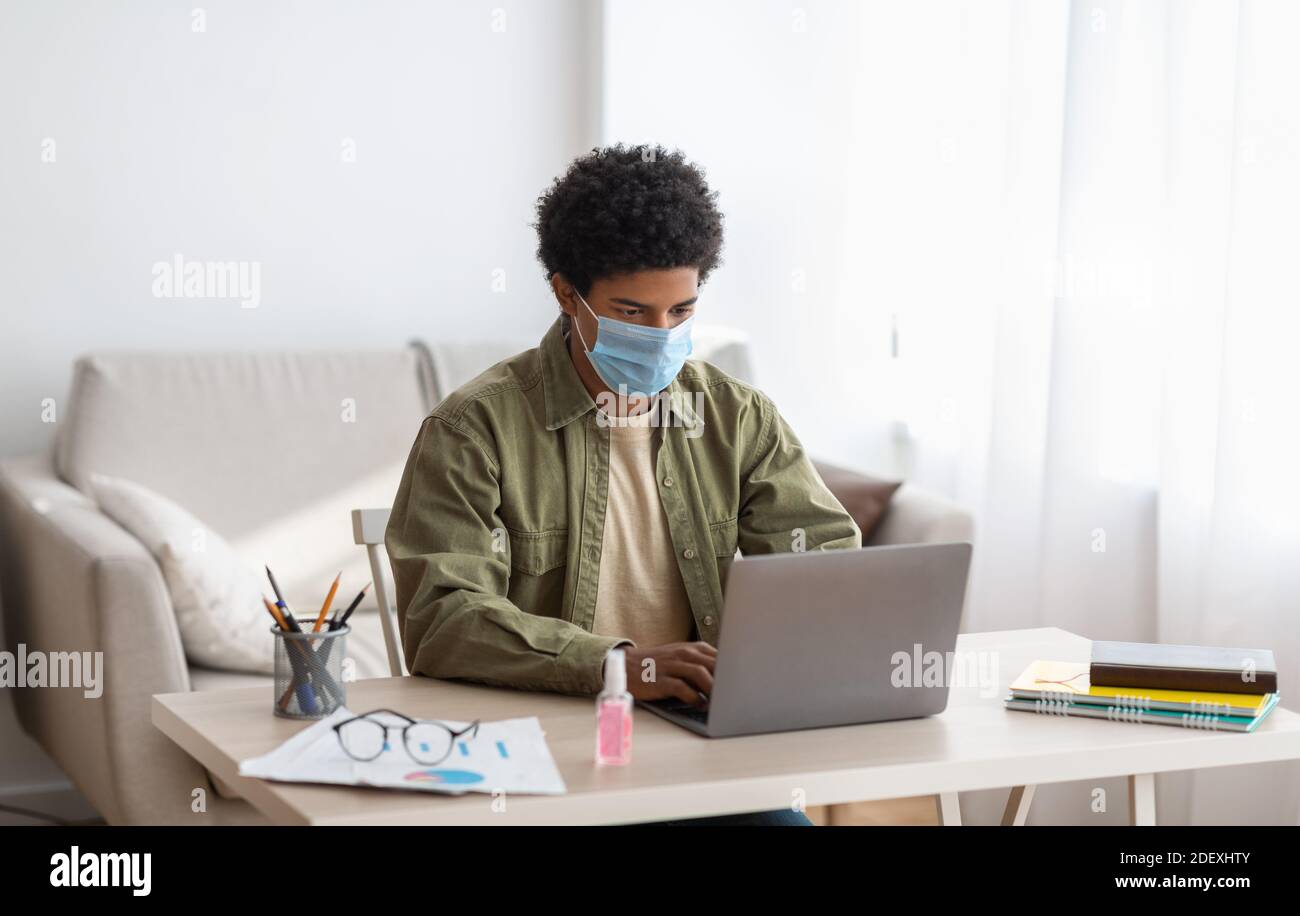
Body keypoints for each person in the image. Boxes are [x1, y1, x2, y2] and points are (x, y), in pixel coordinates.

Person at [385, 143, 860, 825]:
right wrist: (619, 666)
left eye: (681, 311)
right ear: (564, 293)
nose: (661, 335)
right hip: (548, 760)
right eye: (633, 313)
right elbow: (443, 619)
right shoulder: (473, 428)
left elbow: (826, 564)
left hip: (704, 753)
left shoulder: (737, 416)